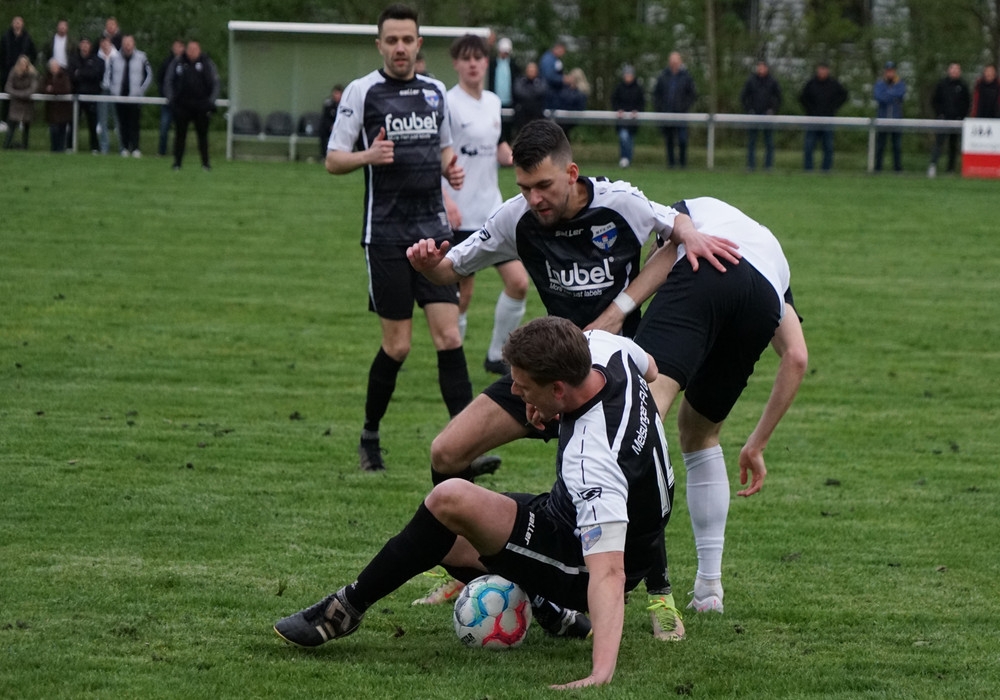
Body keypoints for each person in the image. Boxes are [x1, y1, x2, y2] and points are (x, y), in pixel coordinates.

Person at [407, 118, 738, 639]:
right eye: (524, 187)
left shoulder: (620, 203)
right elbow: (452, 268)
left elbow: (675, 231)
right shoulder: (515, 218)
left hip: (610, 383)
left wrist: (619, 310)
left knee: (633, 480)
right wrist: (429, 265)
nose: (534, 198)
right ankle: (462, 565)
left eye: (544, 185)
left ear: (571, 172)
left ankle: (660, 594)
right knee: (447, 452)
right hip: (545, 373)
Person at [274, 316, 676, 690]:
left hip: (584, 563)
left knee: (449, 502)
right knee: (435, 534)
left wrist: (600, 673)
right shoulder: (604, 348)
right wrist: (547, 403)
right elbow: (652, 369)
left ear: (558, 388)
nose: (514, 393)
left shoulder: (593, 457)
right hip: (567, 513)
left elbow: (610, 573)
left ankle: (344, 610)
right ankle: (546, 607)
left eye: (524, 386)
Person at [586, 196, 799, 614]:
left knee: (637, 418)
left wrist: (615, 314)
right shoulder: (771, 255)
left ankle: (605, 577)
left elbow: (670, 252)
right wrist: (756, 444)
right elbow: (796, 356)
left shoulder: (686, 212)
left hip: (704, 277)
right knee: (700, 435)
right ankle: (708, 589)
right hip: (761, 302)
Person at [325, 4, 472, 473]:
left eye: (408, 39)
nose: (400, 48)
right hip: (386, 236)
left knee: (449, 335)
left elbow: (445, 148)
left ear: (418, 43)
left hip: (434, 233)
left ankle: (466, 446)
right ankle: (369, 436)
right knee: (398, 346)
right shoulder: (362, 91)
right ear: (380, 45)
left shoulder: (434, 91)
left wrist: (450, 169)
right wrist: (368, 155)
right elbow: (333, 159)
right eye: (392, 40)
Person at [440, 34, 528, 376]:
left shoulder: (492, 101)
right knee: (462, 296)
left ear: (487, 62)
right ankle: (454, 363)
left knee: (518, 283)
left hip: (493, 212)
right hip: (460, 214)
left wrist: (519, 158)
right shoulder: (448, 104)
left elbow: (499, 146)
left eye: (478, 58)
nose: (473, 64)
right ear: (456, 64)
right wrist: (446, 200)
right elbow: (435, 156)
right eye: (466, 59)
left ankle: (497, 356)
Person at [165, 40, 219, 171]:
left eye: (195, 49)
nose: (192, 52)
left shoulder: (207, 62)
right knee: (180, 136)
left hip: (201, 106)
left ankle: (205, 164)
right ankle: (177, 164)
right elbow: (168, 80)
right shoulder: (178, 62)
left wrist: (210, 102)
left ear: (199, 50)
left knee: (203, 136)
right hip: (182, 105)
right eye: (190, 49)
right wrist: (171, 99)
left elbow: (215, 83)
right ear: (186, 50)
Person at [799, 62, 847, 171]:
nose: (822, 72)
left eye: (824, 69)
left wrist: (833, 108)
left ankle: (826, 170)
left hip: (828, 120)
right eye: (820, 69)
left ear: (828, 71)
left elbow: (844, 95)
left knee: (828, 146)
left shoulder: (833, 84)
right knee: (809, 146)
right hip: (812, 120)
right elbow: (802, 98)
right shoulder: (811, 84)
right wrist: (810, 110)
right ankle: (808, 169)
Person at [653, 51, 697, 168]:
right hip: (667, 113)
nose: (674, 63)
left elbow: (692, 95)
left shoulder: (686, 77)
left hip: (682, 114)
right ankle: (671, 164)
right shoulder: (663, 76)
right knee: (669, 139)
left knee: (682, 139)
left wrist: (684, 106)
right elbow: (657, 95)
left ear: (680, 62)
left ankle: (682, 163)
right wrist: (660, 108)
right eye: (672, 61)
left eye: (676, 61)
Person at [110, 35, 152, 157]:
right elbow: (108, 75)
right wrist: (113, 90)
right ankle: (124, 147)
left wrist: (140, 90)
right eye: (125, 43)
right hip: (119, 97)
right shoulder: (115, 58)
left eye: (129, 43)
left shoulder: (142, 57)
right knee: (122, 123)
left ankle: (135, 148)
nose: (127, 46)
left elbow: (149, 75)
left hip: (135, 97)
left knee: (134, 123)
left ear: (133, 44)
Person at [927, 62, 971, 178]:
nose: (955, 71)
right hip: (943, 120)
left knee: (953, 145)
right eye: (953, 69)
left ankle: (950, 169)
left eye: (957, 69)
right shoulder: (942, 84)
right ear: (948, 70)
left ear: (960, 72)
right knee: (939, 143)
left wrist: (962, 116)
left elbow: (967, 103)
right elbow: (934, 101)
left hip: (957, 121)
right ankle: (933, 165)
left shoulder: (963, 86)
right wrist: (940, 114)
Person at [740, 60, 782, 171]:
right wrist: (749, 109)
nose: (761, 69)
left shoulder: (773, 81)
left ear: (767, 68)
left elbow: (778, 98)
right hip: (753, 115)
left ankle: (768, 166)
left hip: (768, 116)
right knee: (752, 141)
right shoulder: (751, 81)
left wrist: (773, 110)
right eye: (759, 67)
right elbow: (744, 97)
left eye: (763, 67)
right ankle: (751, 165)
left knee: (769, 142)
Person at [1, 17, 37, 127]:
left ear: (22, 24)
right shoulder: (5, 37)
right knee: (7, 96)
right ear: (12, 24)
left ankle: (21, 120)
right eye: (15, 22)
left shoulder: (27, 38)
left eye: (19, 22)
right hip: (8, 72)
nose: (17, 24)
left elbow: (33, 53)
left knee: (22, 97)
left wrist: (28, 65)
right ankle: (4, 121)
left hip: (23, 72)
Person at [70, 38, 105, 154]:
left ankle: (94, 147)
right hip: (77, 96)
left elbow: (96, 75)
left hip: (92, 96)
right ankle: (70, 145)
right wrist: (85, 73)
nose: (85, 47)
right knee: (73, 122)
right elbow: (71, 75)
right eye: (83, 44)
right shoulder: (73, 59)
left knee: (92, 123)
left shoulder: (98, 60)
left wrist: (80, 73)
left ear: (90, 46)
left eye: (87, 44)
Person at [874, 60, 906, 172]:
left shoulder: (900, 83)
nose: (890, 73)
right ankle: (878, 168)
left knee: (897, 146)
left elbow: (900, 94)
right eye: (888, 71)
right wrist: (892, 95)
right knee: (880, 146)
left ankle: (897, 169)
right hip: (882, 119)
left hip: (896, 119)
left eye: (891, 71)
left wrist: (887, 94)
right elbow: (879, 97)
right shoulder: (879, 84)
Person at [611, 64, 644, 168]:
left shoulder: (638, 88)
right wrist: (618, 110)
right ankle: (624, 158)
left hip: (633, 121)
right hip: (622, 120)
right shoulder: (619, 88)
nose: (627, 77)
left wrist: (636, 111)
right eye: (626, 74)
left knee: (630, 140)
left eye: (629, 74)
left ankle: (628, 159)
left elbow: (641, 103)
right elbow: (614, 101)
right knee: (623, 137)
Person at [488, 36, 519, 143]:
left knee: (507, 127)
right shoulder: (492, 64)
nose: (504, 54)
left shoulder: (513, 65)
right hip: (494, 100)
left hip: (509, 101)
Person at [156, 40, 185, 157]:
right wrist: (165, 94)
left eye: (179, 46)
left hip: (182, 103)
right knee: (164, 127)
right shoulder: (167, 62)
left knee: (180, 129)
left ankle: (178, 152)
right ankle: (161, 152)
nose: (177, 49)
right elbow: (160, 80)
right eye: (175, 47)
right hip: (168, 102)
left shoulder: (187, 63)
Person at [3, 54, 37, 149]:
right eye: (21, 63)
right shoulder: (13, 72)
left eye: (25, 63)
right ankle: (6, 146)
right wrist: (18, 94)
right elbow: (8, 87)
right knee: (11, 126)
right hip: (15, 104)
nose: (23, 65)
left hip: (27, 104)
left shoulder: (32, 74)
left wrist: (21, 94)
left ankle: (25, 146)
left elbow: (33, 89)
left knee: (26, 127)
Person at [43, 58, 73, 152]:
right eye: (52, 67)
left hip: (63, 110)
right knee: (54, 130)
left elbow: (66, 90)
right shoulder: (47, 77)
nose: (53, 69)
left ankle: (61, 149)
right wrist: (50, 90)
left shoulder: (64, 76)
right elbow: (41, 87)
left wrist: (52, 90)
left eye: (55, 67)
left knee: (62, 131)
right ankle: (54, 149)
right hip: (51, 110)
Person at [95, 36, 119, 154]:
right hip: (102, 90)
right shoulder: (97, 57)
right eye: (103, 42)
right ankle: (104, 147)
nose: (105, 44)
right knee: (102, 119)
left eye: (107, 42)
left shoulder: (118, 56)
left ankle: (122, 146)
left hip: (115, 91)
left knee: (118, 118)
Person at [512, 61, 546, 135]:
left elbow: (541, 91)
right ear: (526, 71)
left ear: (536, 72)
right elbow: (518, 92)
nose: (531, 72)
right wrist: (532, 92)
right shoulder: (520, 81)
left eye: (533, 70)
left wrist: (528, 92)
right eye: (529, 70)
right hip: (522, 111)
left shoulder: (541, 81)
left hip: (536, 111)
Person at [538, 41, 567, 110]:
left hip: (552, 92)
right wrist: (562, 79)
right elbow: (548, 76)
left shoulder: (555, 60)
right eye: (562, 51)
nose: (563, 53)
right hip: (549, 93)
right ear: (557, 48)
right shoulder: (548, 59)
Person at [317, 84, 342, 160]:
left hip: (341, 128)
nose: (336, 96)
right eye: (335, 93)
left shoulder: (344, 105)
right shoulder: (328, 104)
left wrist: (338, 127)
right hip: (329, 128)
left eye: (338, 94)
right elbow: (325, 118)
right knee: (322, 131)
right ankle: (325, 155)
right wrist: (331, 126)